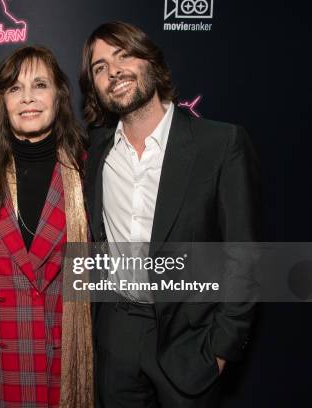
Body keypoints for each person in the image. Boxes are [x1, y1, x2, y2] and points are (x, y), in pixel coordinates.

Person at [80, 21, 261, 407]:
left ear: (152, 61)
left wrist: (221, 348)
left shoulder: (220, 143)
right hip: (116, 334)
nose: (113, 71)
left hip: (190, 340)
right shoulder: (95, 153)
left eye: (123, 55)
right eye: (99, 67)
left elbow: (243, 256)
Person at [0, 46, 93, 407]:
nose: (28, 98)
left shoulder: (88, 169)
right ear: (1, 100)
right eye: (14, 88)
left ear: (59, 96)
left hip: (61, 358)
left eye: (40, 85)